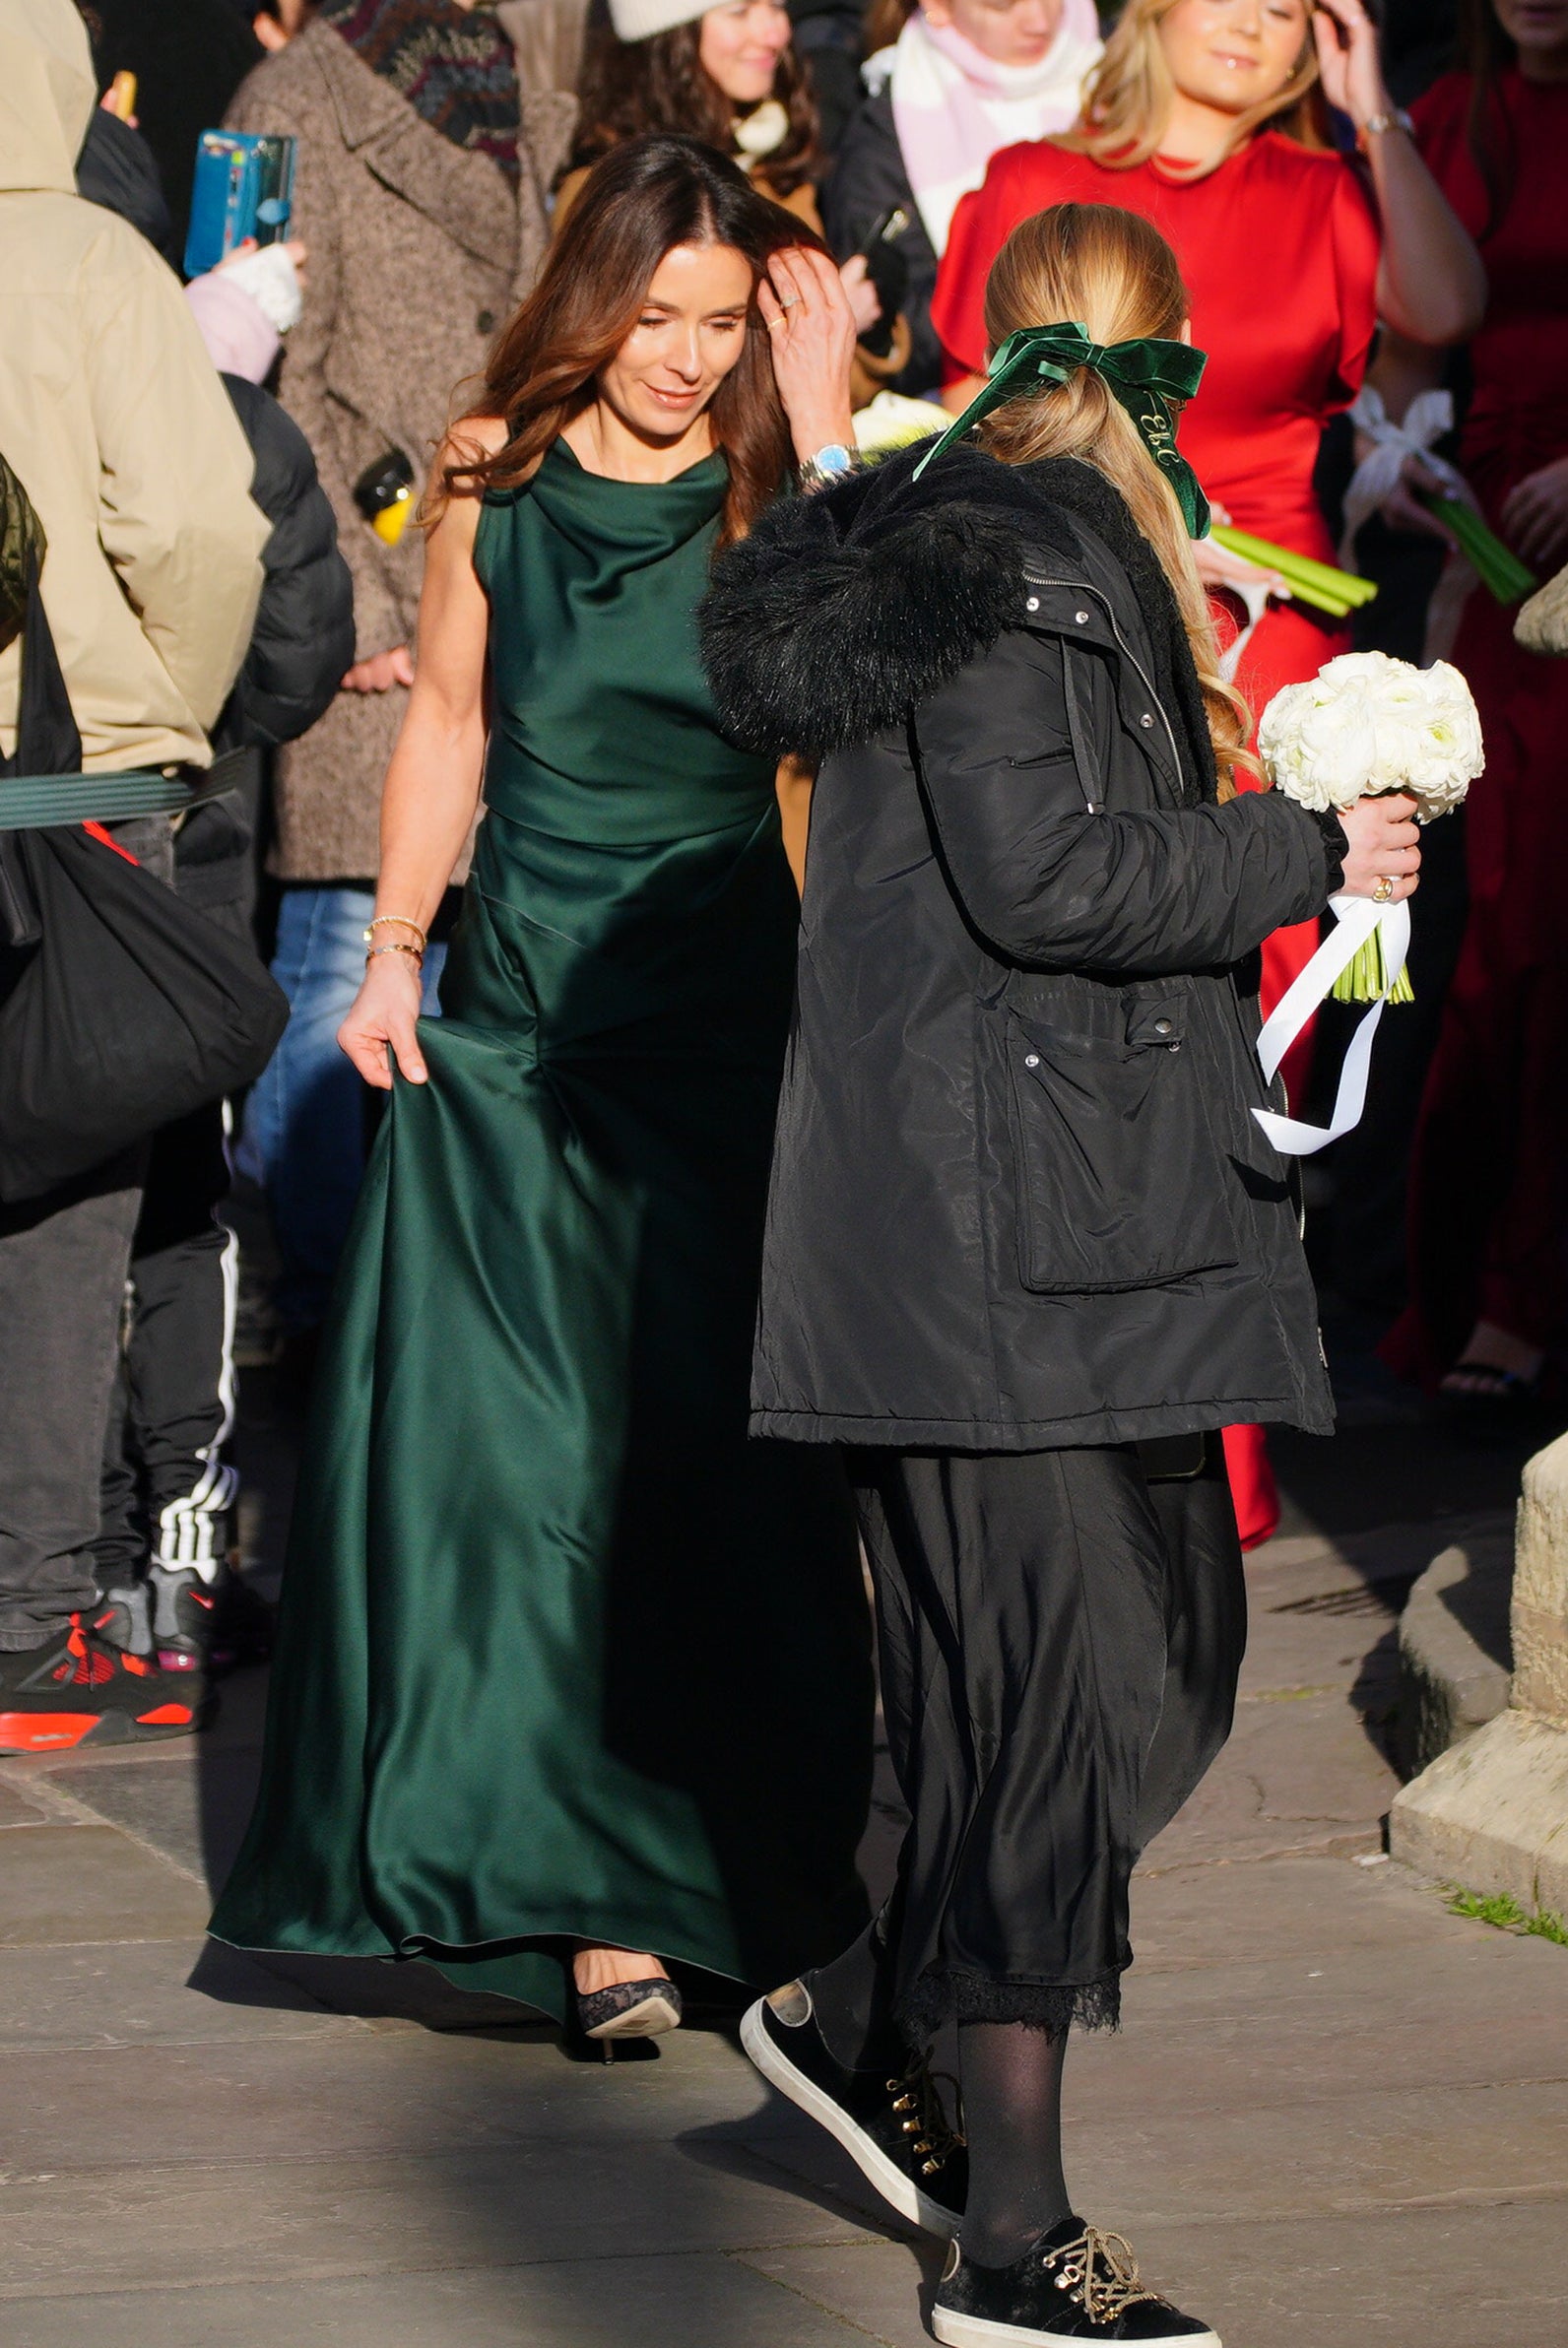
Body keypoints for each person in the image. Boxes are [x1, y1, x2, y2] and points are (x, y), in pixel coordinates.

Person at [700, 199, 1422, 2347]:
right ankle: (1011, 2246)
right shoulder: (1006, 558)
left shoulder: (1001, 542)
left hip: (1047, 1221)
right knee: (1056, 1720)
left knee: (1138, 1670)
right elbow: (1044, 875)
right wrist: (1309, 852)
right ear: (1156, 369)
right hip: (986, 1244)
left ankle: (845, 2014)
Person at [210, 137, 875, 2045]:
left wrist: (823, 435)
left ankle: (711, 1866)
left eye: (718, 319)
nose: (682, 355)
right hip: (516, 1020)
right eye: (653, 315)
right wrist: (397, 953)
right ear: (596, 298)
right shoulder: (493, 467)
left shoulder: (763, 487)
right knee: (521, 1465)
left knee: (697, 1457)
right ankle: (584, 1899)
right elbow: (449, 720)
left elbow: (840, 726)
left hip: (723, 1025)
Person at [927, 0, 1482, 1543]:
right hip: (1087, 634)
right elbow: (976, 420)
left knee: (1255, 1053)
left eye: (1289, 3)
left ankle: (1218, 1431)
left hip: (1276, 669)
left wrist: (1379, 117)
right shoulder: (1035, 179)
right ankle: (1098, 1423)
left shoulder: (1325, 194)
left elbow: (1447, 306)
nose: (1248, 22)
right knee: (1096, 1032)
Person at [224, 0, 577, 1362]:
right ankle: (312, 1303)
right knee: (343, 965)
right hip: (377, 600)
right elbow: (274, 377)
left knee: (464, 971)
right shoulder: (295, 91)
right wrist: (363, 593)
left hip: (502, 585)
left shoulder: (506, 76)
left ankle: (430, 1316)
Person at [0, 0, 270, 1751]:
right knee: (64, 1198)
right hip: (71, 783)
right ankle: (31, 1608)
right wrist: (161, 710)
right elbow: (200, 527)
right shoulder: (89, 262)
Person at [1366, 0, 1568, 1410]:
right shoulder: (1439, 121)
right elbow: (1399, 355)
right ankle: (1498, 1285)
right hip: (1502, 559)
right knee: (1504, 920)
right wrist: (1404, 462)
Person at [563, 0, 912, 403]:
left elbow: (826, 403)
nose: (775, 33)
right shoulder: (609, 197)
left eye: (778, 7)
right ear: (669, 38)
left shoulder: (776, 176)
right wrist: (819, 323)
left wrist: (863, 334)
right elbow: (663, 388)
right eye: (739, 12)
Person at [824, 0, 1101, 395]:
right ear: (938, 6)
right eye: (1003, 6)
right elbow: (903, 328)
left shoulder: (1128, 75)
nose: (1040, 19)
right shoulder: (887, 136)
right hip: (982, 395)